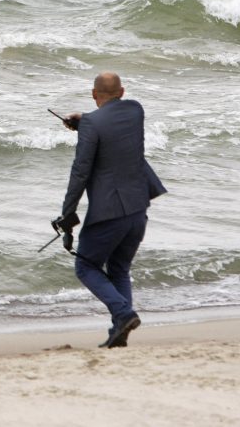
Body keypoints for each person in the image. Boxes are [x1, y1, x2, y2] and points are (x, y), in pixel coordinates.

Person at [58, 72, 166, 348]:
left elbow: (80, 173)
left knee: (86, 266)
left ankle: (123, 313)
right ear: (123, 91)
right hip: (138, 208)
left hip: (110, 212)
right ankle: (120, 333)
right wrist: (84, 121)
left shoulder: (92, 124)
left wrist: (66, 216)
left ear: (94, 95)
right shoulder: (135, 111)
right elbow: (111, 120)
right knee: (119, 268)